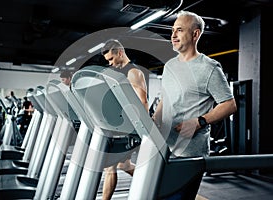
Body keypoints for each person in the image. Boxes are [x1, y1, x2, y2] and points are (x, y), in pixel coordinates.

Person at [152, 11, 237, 199]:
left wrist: (198, 122)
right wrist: (154, 121)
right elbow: (165, 99)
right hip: (164, 148)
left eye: (179, 30)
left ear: (195, 34)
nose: (173, 35)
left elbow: (229, 105)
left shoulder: (209, 68)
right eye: (173, 30)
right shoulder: (169, 66)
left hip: (189, 153)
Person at [100, 39, 149, 200]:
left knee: (110, 167)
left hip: (131, 129)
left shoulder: (133, 73)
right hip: (122, 127)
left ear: (119, 52)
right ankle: (154, 182)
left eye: (111, 59)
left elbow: (142, 102)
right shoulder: (120, 73)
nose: (110, 63)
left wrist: (143, 131)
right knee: (124, 165)